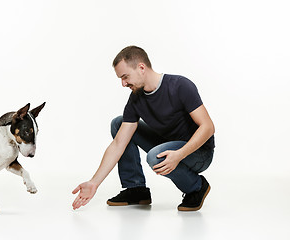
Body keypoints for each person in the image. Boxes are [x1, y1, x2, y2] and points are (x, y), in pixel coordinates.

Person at [72, 46, 215, 211]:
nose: (123, 84)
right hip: (168, 145)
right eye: (121, 78)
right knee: (119, 124)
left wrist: (179, 154)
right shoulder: (135, 99)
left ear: (141, 68)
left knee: (156, 156)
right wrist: (94, 182)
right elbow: (119, 143)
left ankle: (196, 187)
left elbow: (208, 127)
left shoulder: (180, 86)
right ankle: (136, 189)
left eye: (125, 77)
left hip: (198, 153)